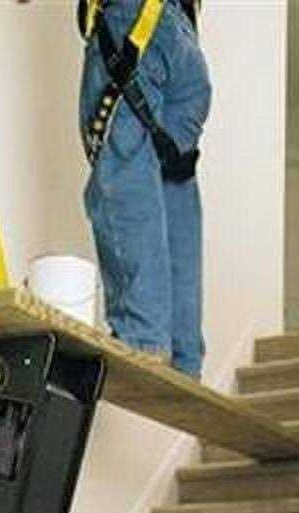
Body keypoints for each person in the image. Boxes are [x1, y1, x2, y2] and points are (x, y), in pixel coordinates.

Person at [77, 0, 212, 378]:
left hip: (134, 24)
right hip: (184, 43)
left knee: (125, 180)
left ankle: (143, 337)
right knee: (172, 189)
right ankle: (184, 358)